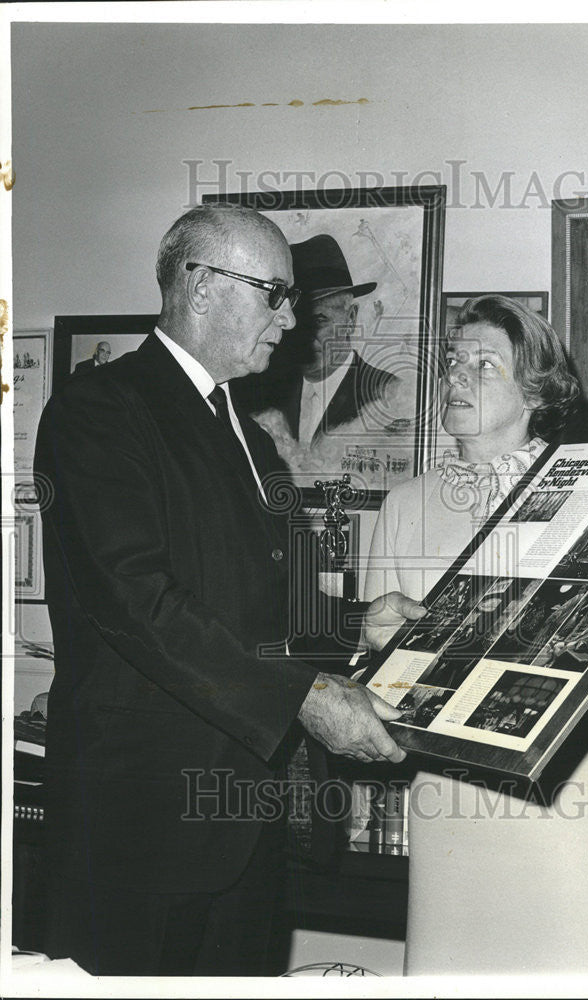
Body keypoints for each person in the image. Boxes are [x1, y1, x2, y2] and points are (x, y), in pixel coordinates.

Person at [34, 204, 422, 977]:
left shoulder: (247, 432)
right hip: (140, 823)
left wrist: (355, 625)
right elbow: (135, 601)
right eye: (273, 292)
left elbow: (245, 604)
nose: (292, 317)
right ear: (202, 286)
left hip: (246, 816)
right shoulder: (100, 409)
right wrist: (303, 697)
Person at [362, 295, 588, 974]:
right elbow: (375, 668)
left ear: (536, 391)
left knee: (576, 960)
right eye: (452, 362)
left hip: (569, 768)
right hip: (452, 781)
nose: (456, 376)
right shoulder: (403, 505)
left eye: (484, 364)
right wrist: (372, 641)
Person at [258, 233, 399, 446]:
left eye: (319, 320)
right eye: (296, 322)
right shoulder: (267, 396)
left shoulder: (388, 395)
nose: (304, 336)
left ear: (351, 318)